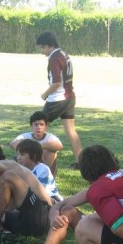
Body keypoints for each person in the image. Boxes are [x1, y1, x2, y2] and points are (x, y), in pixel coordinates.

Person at [36, 31, 82, 167]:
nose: (42, 51)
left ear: (50, 45)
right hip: (69, 97)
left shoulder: (54, 58)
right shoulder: (63, 54)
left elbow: (56, 83)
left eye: (43, 47)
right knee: (71, 130)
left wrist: (45, 94)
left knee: (38, 127)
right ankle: (80, 161)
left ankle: (34, 159)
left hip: (57, 99)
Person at [9, 111, 63, 175]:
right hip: (27, 167)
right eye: (36, 124)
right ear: (31, 126)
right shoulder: (25, 136)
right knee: (23, 152)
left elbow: (59, 146)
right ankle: (25, 174)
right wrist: (29, 148)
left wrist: (39, 146)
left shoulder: (50, 137)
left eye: (41, 124)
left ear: (46, 126)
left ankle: (44, 174)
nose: (39, 127)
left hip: (46, 164)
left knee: (50, 151)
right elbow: (12, 144)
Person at [14, 139, 62, 203]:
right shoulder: (21, 169)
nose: (18, 158)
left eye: (22, 154)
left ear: (34, 156)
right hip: (33, 198)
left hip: (50, 198)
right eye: (17, 154)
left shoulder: (43, 169)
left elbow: (40, 192)